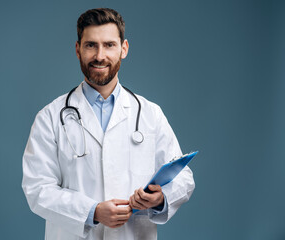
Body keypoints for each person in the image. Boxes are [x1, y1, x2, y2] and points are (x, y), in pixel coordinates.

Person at [22, 8, 195, 240]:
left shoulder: (150, 114)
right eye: (91, 45)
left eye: (109, 45)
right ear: (77, 49)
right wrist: (92, 212)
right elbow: (37, 189)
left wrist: (160, 198)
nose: (100, 55)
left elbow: (184, 178)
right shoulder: (50, 117)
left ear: (124, 49)